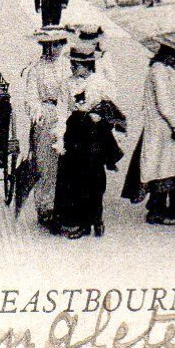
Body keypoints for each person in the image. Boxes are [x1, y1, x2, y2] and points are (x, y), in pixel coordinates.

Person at [52, 42, 123, 239]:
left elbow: (113, 108)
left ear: (89, 65)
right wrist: (59, 137)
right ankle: (78, 222)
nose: (73, 67)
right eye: (72, 63)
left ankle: (96, 219)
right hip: (74, 132)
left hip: (94, 134)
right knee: (73, 178)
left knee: (94, 177)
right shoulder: (67, 84)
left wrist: (101, 116)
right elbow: (61, 111)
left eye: (78, 64)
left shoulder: (100, 82)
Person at [122, 42, 175, 225]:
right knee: (163, 167)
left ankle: (173, 208)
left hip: (163, 127)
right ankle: (157, 210)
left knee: (168, 166)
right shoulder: (159, 71)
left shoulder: (161, 70)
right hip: (163, 129)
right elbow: (164, 102)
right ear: (168, 55)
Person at [18, 29, 70, 230]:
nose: (54, 48)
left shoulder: (68, 65)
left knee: (66, 164)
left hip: (65, 114)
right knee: (45, 164)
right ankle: (45, 208)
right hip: (47, 115)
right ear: (44, 46)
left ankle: (64, 206)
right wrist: (37, 113)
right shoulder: (36, 68)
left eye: (58, 44)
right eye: (51, 44)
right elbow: (31, 96)